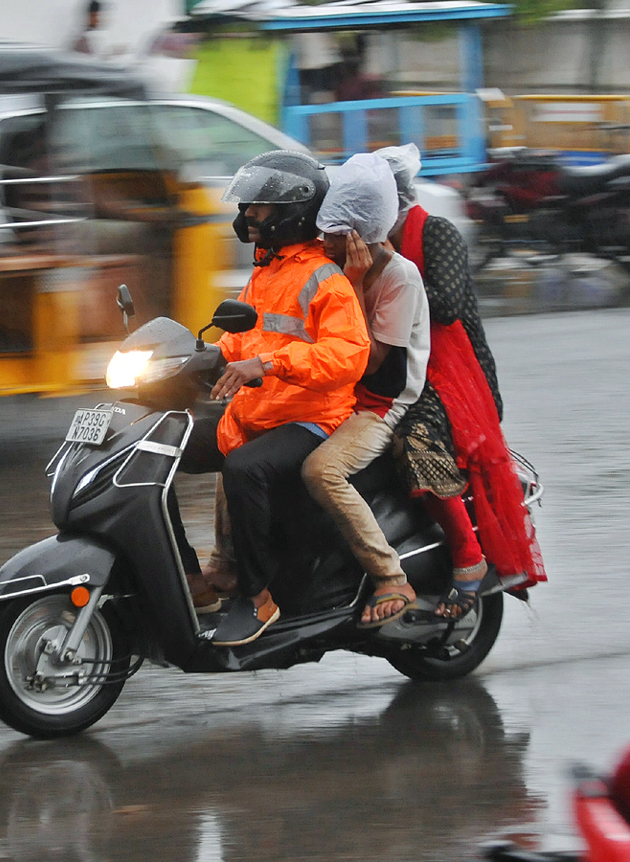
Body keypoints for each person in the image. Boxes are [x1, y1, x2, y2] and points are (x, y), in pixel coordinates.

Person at [176, 150, 370, 645]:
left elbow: (348, 355)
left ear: (292, 211)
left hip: (312, 418)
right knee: (162, 444)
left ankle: (257, 597)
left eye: (257, 208)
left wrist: (269, 364)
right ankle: (187, 575)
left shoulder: (327, 279)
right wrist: (199, 357)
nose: (246, 218)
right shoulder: (267, 271)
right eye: (246, 207)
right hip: (260, 411)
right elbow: (248, 339)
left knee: (245, 468)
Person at [378, 144, 546, 618]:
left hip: (454, 376)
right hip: (400, 370)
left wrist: (382, 271)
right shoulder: (361, 244)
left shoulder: (436, 232)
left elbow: (447, 306)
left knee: (415, 439)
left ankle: (468, 559)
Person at [301, 152, 430, 627]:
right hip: (341, 392)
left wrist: (353, 284)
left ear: (360, 234)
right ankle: (229, 569)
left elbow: (372, 361)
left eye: (334, 234)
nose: (325, 241)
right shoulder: (332, 267)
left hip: (381, 404)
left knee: (321, 471)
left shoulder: (399, 277)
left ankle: (390, 574)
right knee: (243, 437)